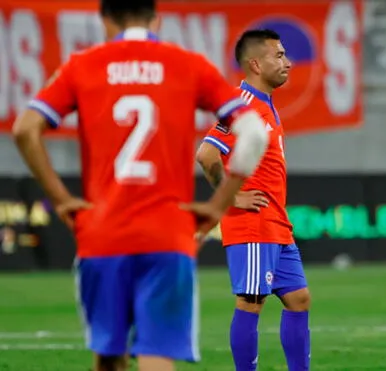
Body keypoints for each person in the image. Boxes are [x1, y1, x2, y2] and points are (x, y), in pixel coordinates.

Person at [11, 1, 268, 370]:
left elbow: (25, 129)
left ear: (104, 19)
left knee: (109, 357)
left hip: (102, 233)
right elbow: (253, 132)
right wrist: (219, 203)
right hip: (168, 234)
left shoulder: (84, 65)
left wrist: (61, 198)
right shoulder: (188, 65)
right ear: (156, 19)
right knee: (157, 354)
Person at [196, 29, 311, 371]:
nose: (288, 63)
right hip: (253, 221)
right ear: (255, 64)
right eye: (279, 55)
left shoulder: (264, 106)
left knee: (299, 299)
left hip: (277, 222)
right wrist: (232, 198)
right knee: (251, 302)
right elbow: (206, 155)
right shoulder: (241, 106)